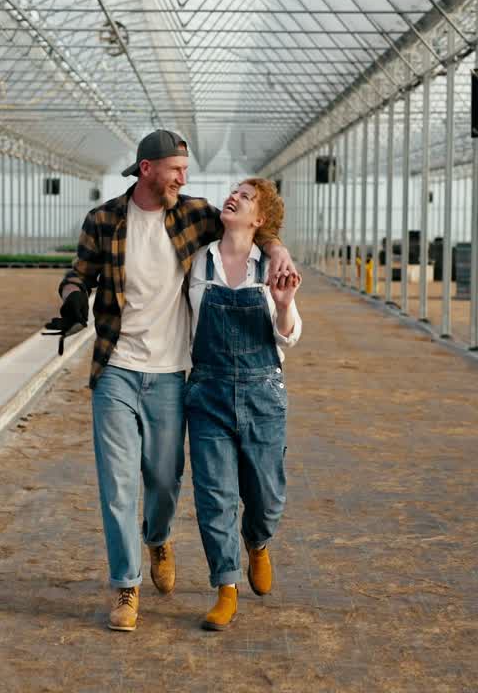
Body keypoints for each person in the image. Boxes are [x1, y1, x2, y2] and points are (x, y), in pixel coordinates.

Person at [52, 131, 298, 632]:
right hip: (116, 367)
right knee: (119, 483)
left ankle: (159, 537)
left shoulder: (194, 215)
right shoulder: (104, 220)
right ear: (147, 170)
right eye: (176, 170)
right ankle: (126, 586)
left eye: (185, 171)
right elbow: (77, 274)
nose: (185, 179)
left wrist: (276, 248)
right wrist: (74, 296)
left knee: (165, 482)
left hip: (170, 376)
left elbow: (253, 228)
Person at [184, 178, 300, 631]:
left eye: (245, 196)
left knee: (267, 495)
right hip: (207, 392)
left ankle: (258, 542)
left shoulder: (270, 266)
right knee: (215, 497)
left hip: (262, 393)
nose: (233, 197)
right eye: (233, 192)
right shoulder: (197, 260)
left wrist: (284, 302)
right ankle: (226, 587)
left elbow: (287, 334)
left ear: (260, 220)